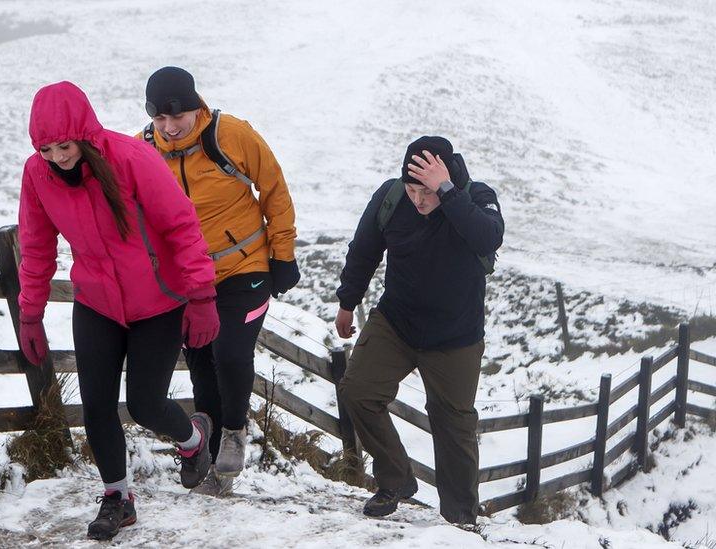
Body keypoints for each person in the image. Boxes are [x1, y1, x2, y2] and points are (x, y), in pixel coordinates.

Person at [16, 81, 220, 541]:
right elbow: (36, 245)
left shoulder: (129, 157)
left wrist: (202, 296)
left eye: (65, 145)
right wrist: (31, 313)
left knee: (145, 405)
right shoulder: (37, 175)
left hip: (158, 302)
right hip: (97, 303)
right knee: (97, 406)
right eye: (46, 149)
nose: (58, 157)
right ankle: (118, 499)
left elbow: (181, 224)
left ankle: (194, 440)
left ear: (84, 134)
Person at [137, 67, 299, 496]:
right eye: (160, 120)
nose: (170, 128)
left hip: (244, 267)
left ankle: (234, 431)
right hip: (189, 280)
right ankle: (208, 454)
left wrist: (282, 255)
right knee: (202, 362)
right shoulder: (143, 150)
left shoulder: (232, 135)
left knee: (230, 350)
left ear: (197, 107)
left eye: (179, 117)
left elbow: (275, 190)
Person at [334, 136, 504, 525]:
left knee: (454, 424)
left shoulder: (475, 198)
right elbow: (364, 249)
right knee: (358, 390)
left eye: (426, 190)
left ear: (446, 181)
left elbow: (488, 237)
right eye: (412, 189)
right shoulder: (392, 198)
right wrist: (348, 301)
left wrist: (447, 192)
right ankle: (395, 480)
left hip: (456, 336)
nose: (418, 200)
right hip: (398, 322)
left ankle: (460, 518)